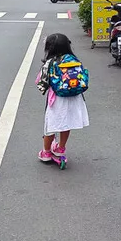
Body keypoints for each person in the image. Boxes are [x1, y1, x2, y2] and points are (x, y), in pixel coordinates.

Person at [35, 33, 89, 162]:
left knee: (51, 125)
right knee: (66, 123)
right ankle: (60, 148)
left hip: (57, 99)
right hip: (75, 98)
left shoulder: (51, 62)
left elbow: (40, 82)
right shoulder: (74, 60)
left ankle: (46, 152)